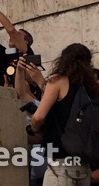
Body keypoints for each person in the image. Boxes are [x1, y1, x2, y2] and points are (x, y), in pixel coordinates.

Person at [28, 43, 99, 186]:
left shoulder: (58, 80)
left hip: (61, 166)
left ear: (64, 59)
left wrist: (33, 128)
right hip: (84, 166)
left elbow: (38, 117)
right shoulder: (92, 89)